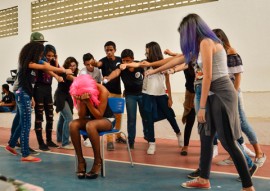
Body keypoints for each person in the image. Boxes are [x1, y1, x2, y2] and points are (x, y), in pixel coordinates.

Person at [143, 14, 255, 191]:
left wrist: (202, 107)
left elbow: (208, 76)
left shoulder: (207, 42)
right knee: (206, 136)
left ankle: (248, 186)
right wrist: (152, 69)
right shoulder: (199, 46)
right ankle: (203, 179)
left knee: (227, 141)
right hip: (210, 93)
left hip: (221, 93)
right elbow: (174, 60)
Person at [5, 42, 72, 162]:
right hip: (22, 94)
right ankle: (25, 154)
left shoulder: (37, 61)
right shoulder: (28, 63)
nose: (42, 56)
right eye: (41, 54)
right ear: (35, 53)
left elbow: (46, 66)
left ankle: (11, 144)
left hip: (26, 94)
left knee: (22, 123)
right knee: (26, 124)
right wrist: (62, 70)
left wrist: (57, 70)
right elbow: (45, 67)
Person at [213, 28, 266, 167]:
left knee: (242, 122)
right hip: (222, 94)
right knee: (228, 125)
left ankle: (260, 153)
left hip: (232, 93)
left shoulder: (231, 51)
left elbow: (237, 76)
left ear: (220, 38)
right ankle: (234, 155)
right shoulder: (218, 53)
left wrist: (234, 93)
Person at [120, 42, 183, 155]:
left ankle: (178, 133)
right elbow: (137, 65)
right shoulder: (146, 63)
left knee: (170, 115)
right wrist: (126, 65)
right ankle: (152, 143)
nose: (146, 53)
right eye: (146, 51)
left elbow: (167, 81)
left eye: (148, 51)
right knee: (148, 119)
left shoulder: (164, 64)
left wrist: (170, 97)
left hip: (160, 94)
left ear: (153, 51)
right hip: (147, 94)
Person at [69, 75, 115, 179]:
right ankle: (81, 161)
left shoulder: (102, 90)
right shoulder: (79, 91)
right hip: (91, 119)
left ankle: (98, 160)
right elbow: (81, 116)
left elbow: (99, 115)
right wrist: (82, 101)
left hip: (107, 119)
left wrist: (88, 102)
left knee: (90, 125)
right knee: (73, 124)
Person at [103, 49, 148, 149]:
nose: (126, 63)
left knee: (145, 117)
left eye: (128, 61)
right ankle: (131, 141)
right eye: (124, 61)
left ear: (133, 59)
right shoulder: (121, 67)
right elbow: (116, 72)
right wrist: (108, 78)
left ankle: (148, 135)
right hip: (130, 95)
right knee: (131, 119)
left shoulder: (139, 65)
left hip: (142, 94)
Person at [91, 41, 126, 151]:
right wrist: (95, 63)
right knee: (109, 116)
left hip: (118, 92)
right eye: (107, 50)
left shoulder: (120, 60)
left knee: (118, 115)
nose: (109, 52)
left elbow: (121, 72)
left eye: (111, 50)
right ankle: (109, 140)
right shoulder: (103, 61)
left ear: (115, 50)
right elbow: (99, 64)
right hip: (106, 92)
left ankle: (118, 136)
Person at [34, 44, 62, 151]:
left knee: (50, 116)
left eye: (52, 55)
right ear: (44, 54)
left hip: (48, 90)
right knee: (39, 117)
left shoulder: (53, 63)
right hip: (39, 89)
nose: (50, 57)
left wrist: (56, 60)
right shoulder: (40, 62)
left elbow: (60, 71)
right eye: (48, 55)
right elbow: (49, 71)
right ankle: (41, 142)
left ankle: (49, 140)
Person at [79, 53, 102, 148]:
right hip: (85, 97)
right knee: (84, 116)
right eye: (87, 64)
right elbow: (81, 87)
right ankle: (85, 138)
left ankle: (92, 136)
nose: (90, 66)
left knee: (94, 116)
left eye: (91, 63)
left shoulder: (98, 71)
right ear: (84, 64)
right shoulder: (82, 72)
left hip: (95, 97)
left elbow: (99, 84)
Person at [55, 57, 79, 149]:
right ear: (67, 66)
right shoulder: (66, 73)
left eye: (74, 65)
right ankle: (65, 143)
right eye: (70, 66)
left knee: (62, 118)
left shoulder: (74, 72)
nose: (72, 67)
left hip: (67, 97)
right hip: (60, 97)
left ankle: (60, 138)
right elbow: (71, 78)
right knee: (69, 118)